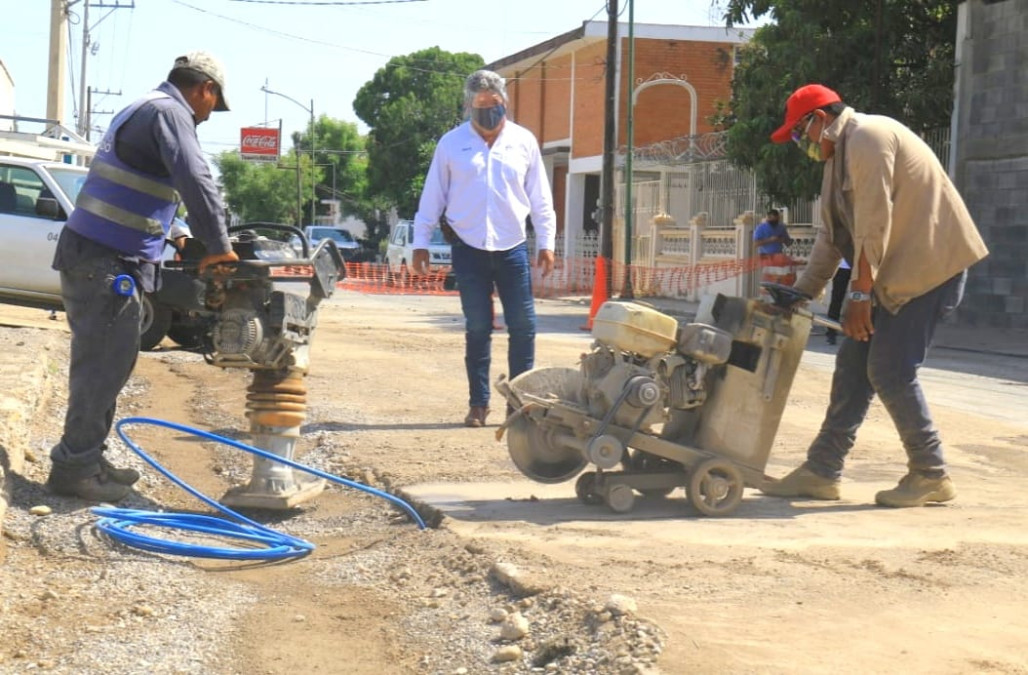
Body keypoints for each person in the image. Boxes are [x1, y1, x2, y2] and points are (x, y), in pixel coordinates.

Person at [760, 84, 988, 507]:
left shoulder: (868, 136)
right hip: (893, 274)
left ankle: (931, 473)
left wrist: (860, 295)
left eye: (798, 133)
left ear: (820, 120)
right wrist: (798, 294)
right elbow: (831, 239)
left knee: (889, 369)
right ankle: (822, 471)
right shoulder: (836, 159)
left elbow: (872, 223)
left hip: (929, 271)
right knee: (852, 366)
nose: (799, 143)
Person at [46, 51, 240, 502]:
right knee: (102, 365)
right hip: (103, 260)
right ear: (204, 89)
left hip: (100, 256)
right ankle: (74, 469)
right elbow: (195, 177)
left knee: (110, 362)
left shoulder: (145, 108)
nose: (209, 115)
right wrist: (219, 245)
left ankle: (87, 457)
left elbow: (139, 189)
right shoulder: (171, 112)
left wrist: (179, 235)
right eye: (213, 104)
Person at [412, 69, 556, 428]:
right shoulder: (451, 144)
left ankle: (520, 403)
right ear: (468, 106)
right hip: (469, 248)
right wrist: (420, 242)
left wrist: (547, 242)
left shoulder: (524, 141)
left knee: (523, 326)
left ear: (504, 103)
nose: (487, 111)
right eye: (480, 105)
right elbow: (433, 196)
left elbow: (540, 197)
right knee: (478, 327)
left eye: (493, 104)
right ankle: (479, 404)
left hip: (512, 248)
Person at [824, 257, 852, 345]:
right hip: (842, 267)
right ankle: (831, 332)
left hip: (860, 267)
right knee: (836, 299)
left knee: (859, 299)